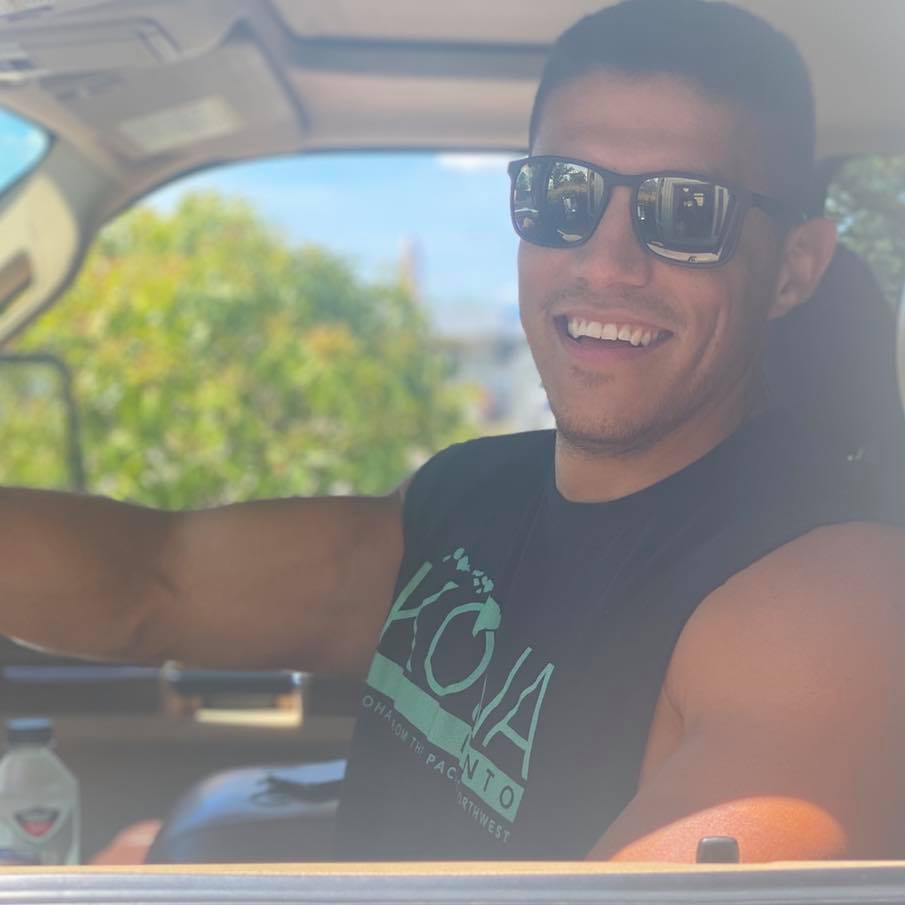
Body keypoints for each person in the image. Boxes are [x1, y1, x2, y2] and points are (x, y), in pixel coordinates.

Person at [3, 0, 905, 864]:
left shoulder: (830, 609)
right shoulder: (467, 497)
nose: (605, 261)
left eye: (686, 212)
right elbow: (151, 583)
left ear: (792, 269)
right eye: (562, 194)